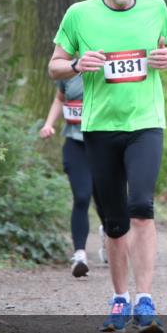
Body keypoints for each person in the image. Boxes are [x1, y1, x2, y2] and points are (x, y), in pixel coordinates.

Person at [48, 0, 167, 333]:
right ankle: (120, 297)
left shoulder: (155, 7)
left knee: (142, 206)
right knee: (115, 221)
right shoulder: (79, 14)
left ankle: (146, 299)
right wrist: (74, 64)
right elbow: (54, 66)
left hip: (145, 123)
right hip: (99, 128)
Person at [38, 75, 107, 278]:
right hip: (75, 143)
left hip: (104, 143)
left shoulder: (107, 67)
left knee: (105, 200)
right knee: (82, 196)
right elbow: (60, 98)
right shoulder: (68, 72)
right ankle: (80, 255)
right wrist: (48, 124)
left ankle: (110, 235)